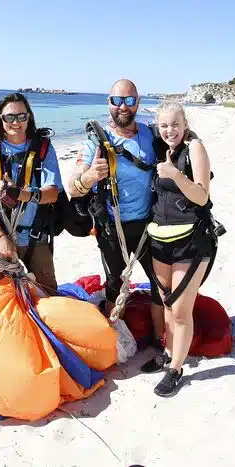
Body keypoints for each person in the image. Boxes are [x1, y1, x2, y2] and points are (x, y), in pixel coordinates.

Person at [67, 78, 165, 348]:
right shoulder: (94, 143)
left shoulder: (151, 135)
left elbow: (180, 143)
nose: (123, 106)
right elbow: (72, 187)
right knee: (114, 284)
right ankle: (114, 340)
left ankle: (160, 338)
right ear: (109, 103)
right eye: (117, 100)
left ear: (138, 103)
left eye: (130, 100)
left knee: (159, 283)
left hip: (148, 226)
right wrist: (88, 177)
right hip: (113, 229)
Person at [143, 99, 218, 397]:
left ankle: (176, 368)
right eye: (163, 125)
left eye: (175, 124)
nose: (169, 130)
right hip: (160, 238)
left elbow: (201, 196)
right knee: (165, 303)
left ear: (185, 124)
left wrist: (175, 175)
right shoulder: (163, 150)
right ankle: (168, 352)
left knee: (181, 309)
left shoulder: (195, 148)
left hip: (192, 240)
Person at [0, 92, 64, 294]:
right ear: (0, 118)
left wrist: (22, 194)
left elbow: (52, 193)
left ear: (29, 117)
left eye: (22, 116)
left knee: (47, 296)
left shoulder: (43, 148)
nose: (16, 122)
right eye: (10, 117)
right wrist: (1, 238)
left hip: (35, 235)